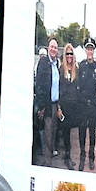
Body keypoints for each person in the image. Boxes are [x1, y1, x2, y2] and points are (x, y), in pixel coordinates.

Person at [67, 43, 96, 169]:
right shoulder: (81, 66)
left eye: (91, 49)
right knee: (82, 133)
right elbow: (77, 85)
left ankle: (91, 158)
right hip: (82, 106)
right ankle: (82, 158)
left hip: (93, 106)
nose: (89, 51)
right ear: (85, 50)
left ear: (93, 51)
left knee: (92, 134)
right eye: (88, 49)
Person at [31, 33, 67, 165]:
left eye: (56, 47)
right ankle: (47, 163)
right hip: (46, 105)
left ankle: (49, 159)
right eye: (52, 46)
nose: (54, 49)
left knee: (53, 132)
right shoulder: (43, 63)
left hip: (55, 105)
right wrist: (41, 107)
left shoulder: (56, 65)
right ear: (48, 48)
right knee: (47, 134)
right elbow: (40, 86)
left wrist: (58, 106)